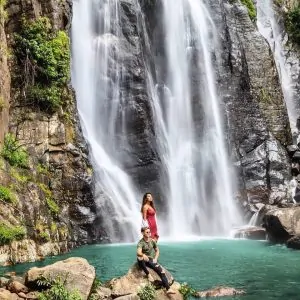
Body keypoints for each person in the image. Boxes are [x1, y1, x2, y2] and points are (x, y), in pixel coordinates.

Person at [137, 226, 175, 295]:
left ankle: (168, 289)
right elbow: (138, 252)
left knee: (162, 271)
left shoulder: (152, 241)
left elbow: (157, 250)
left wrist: (156, 258)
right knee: (140, 257)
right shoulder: (141, 242)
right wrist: (143, 255)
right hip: (142, 261)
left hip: (150, 260)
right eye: (147, 232)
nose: (149, 233)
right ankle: (148, 274)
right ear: (142, 233)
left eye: (149, 232)